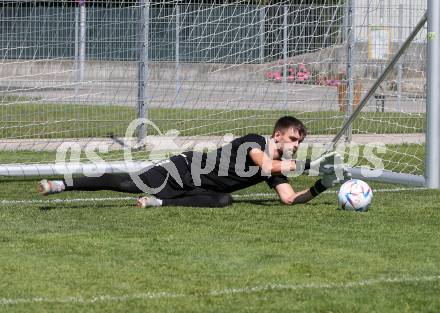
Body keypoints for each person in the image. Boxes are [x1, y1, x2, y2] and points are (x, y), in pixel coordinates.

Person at [38, 116, 350, 208]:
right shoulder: (256, 142)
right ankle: (62, 184)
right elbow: (265, 166)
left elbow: (289, 199)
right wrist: (308, 165)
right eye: (293, 140)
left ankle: (159, 204)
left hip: (198, 191)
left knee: (224, 200)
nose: (296, 146)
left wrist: (322, 185)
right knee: (125, 182)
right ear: (278, 135)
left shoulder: (280, 162)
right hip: (183, 170)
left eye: (300, 143)